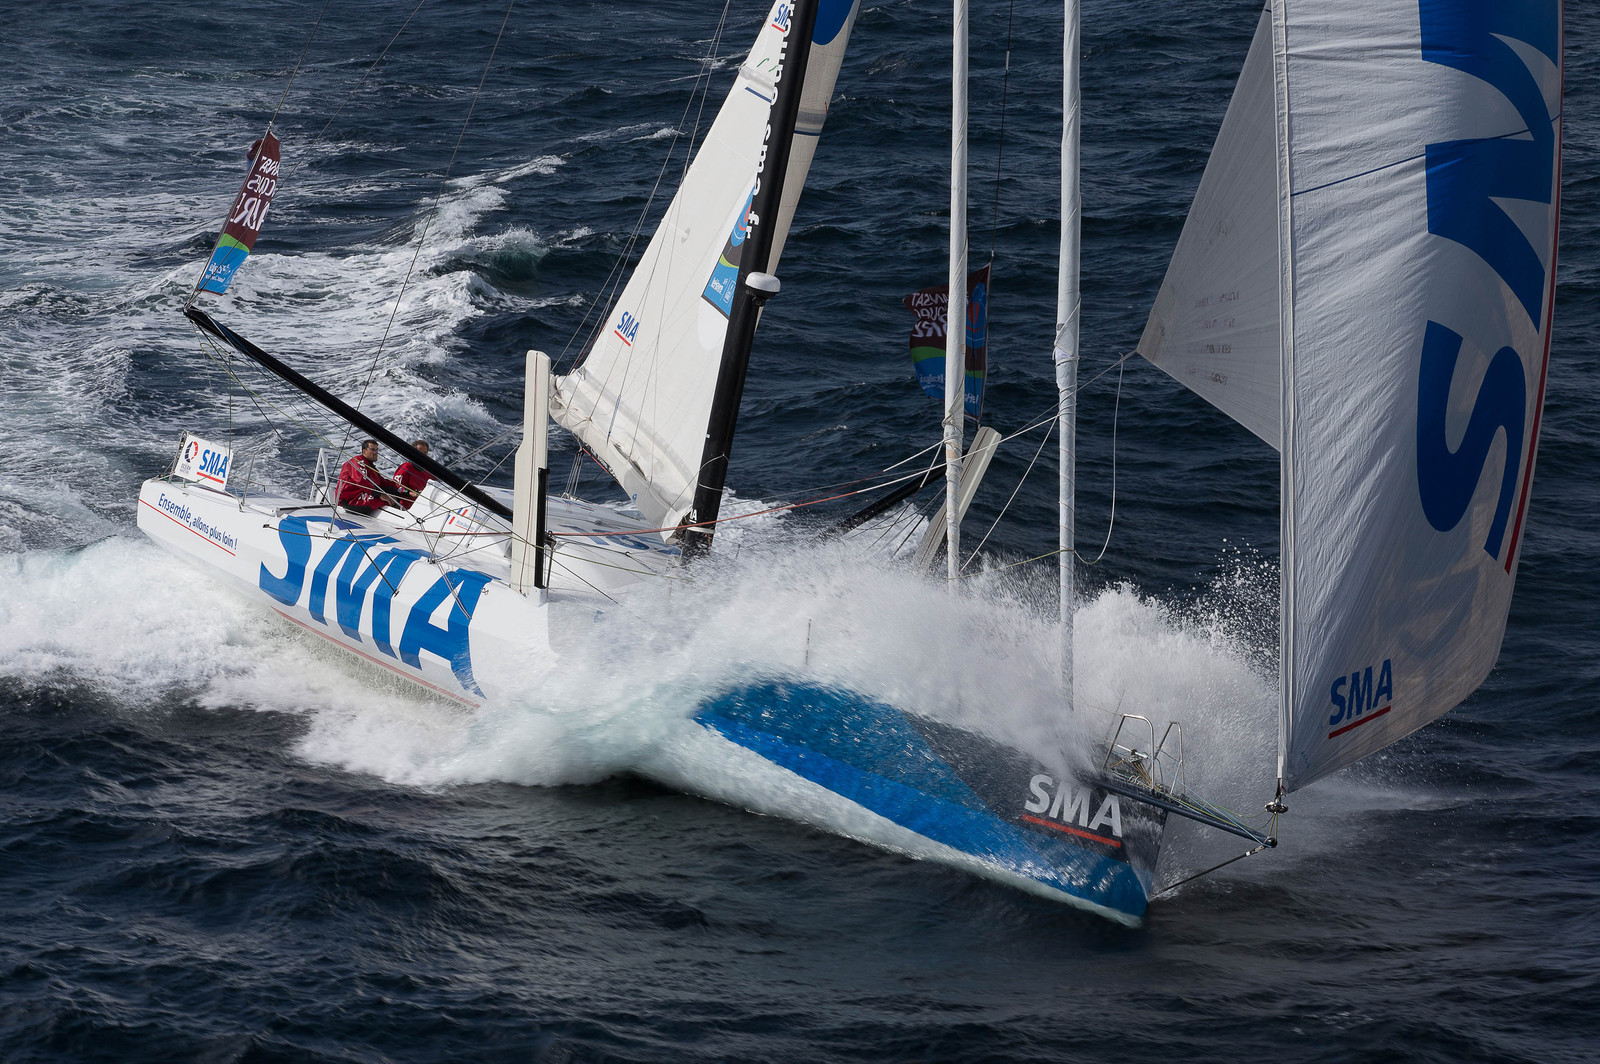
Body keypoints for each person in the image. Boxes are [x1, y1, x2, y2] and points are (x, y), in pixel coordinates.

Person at [336, 439, 402, 515]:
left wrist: (403, 490)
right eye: (372, 449)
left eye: (377, 450)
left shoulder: (371, 467)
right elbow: (361, 480)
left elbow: (382, 482)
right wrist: (380, 495)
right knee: (389, 499)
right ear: (364, 451)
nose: (375, 452)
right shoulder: (358, 461)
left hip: (362, 494)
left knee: (393, 492)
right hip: (349, 500)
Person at [393, 440, 435, 509]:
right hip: (405, 508)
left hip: (425, 506)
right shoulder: (405, 468)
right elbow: (396, 487)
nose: (423, 455)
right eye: (420, 452)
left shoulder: (428, 470)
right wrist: (411, 493)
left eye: (425, 453)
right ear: (413, 453)